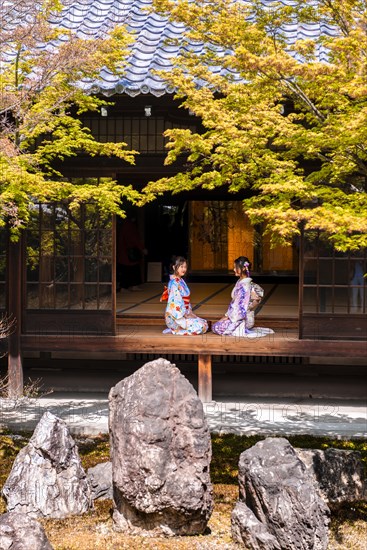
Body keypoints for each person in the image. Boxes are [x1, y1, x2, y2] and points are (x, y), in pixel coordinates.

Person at [212, 256, 274, 338]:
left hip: (242, 319)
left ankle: (240, 327)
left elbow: (238, 307)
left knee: (216, 327)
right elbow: (238, 304)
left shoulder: (244, 285)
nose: (234, 270)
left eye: (235, 267)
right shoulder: (242, 282)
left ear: (244, 268)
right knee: (217, 325)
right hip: (241, 317)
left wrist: (226, 317)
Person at [161, 256, 208, 335]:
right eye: (181, 266)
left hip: (184, 313)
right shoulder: (174, 283)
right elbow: (175, 303)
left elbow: (186, 301)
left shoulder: (180, 280)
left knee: (204, 323)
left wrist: (189, 313)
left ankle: (182, 327)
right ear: (174, 267)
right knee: (201, 327)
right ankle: (177, 329)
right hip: (175, 316)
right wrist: (184, 316)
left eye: (185, 267)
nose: (184, 269)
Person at [116, 215, 146, 291]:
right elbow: (134, 239)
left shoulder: (122, 225)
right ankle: (133, 285)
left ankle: (124, 286)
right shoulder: (130, 226)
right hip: (129, 251)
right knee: (133, 269)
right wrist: (142, 248)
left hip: (122, 251)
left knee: (124, 270)